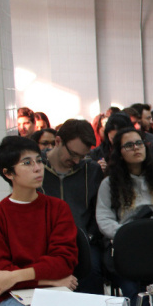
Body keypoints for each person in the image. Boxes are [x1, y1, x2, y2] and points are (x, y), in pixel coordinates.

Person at [0, 136, 78, 306]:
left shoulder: (58, 208)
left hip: (56, 292)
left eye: (39, 161)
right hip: (13, 299)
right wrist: (49, 280)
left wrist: (14, 277)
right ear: (8, 173)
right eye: (27, 163)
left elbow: (63, 262)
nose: (38, 168)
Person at [96, 127, 153, 300]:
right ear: (119, 152)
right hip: (128, 244)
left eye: (139, 143)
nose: (136, 148)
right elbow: (104, 217)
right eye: (129, 145)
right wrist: (126, 235)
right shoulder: (109, 183)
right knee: (132, 291)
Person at [41, 119, 104, 294]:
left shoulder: (90, 171)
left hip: (82, 240)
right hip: (45, 242)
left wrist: (89, 237)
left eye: (82, 156)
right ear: (58, 141)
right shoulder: (38, 169)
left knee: (91, 270)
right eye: (73, 154)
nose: (77, 161)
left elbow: (97, 211)